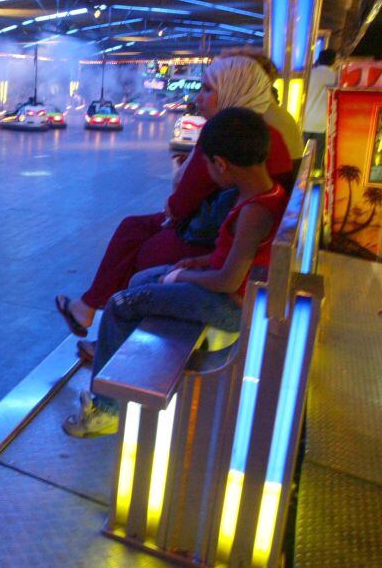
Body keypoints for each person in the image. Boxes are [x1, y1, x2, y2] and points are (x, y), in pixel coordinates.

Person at [64, 108, 287, 437]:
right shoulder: (260, 193)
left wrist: (182, 277)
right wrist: (195, 263)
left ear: (221, 164)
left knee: (120, 303)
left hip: (228, 305)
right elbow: (233, 254)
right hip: (223, 291)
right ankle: (125, 370)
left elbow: (229, 280)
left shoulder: (253, 211)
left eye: (207, 164)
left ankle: (106, 409)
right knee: (142, 280)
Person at [55, 49, 300, 337]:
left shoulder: (229, 132)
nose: (199, 99)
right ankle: (91, 309)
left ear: (237, 86)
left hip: (216, 253)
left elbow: (181, 205)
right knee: (135, 232)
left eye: (208, 89)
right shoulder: (271, 125)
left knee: (144, 249)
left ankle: (110, 341)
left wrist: (184, 269)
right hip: (233, 242)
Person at [301, 48, 338, 168]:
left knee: (301, 157)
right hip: (323, 124)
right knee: (318, 159)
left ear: (319, 59)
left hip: (304, 121)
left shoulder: (308, 75)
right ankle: (315, 180)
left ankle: (298, 181)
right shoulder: (337, 77)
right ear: (334, 61)